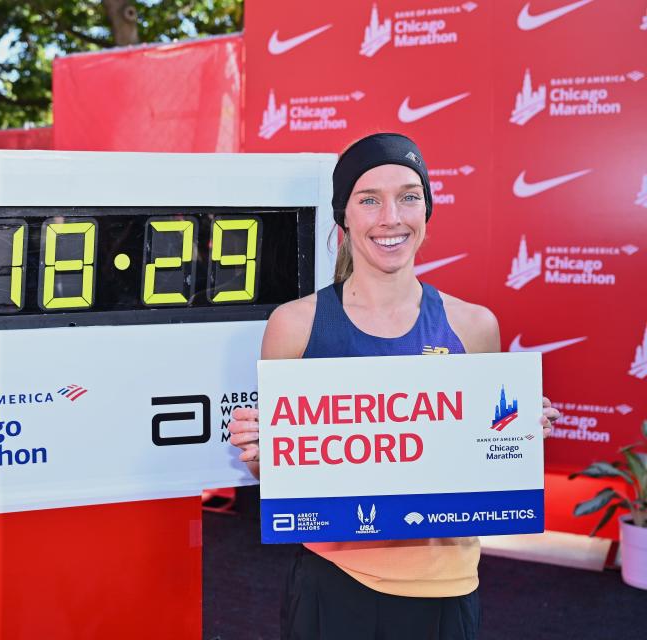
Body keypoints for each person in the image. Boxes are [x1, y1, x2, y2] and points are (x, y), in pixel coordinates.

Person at [227, 133, 561, 640]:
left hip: (446, 586)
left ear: (427, 209)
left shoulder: (474, 326)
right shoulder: (295, 325)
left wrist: (520, 432)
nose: (391, 217)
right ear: (344, 216)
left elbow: (487, 455)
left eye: (408, 196)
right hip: (333, 582)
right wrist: (256, 447)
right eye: (369, 200)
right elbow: (274, 474)